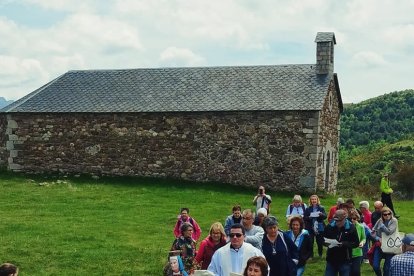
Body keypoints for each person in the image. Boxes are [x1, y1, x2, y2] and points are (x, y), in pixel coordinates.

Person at [323, 209, 359, 276]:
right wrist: (327, 243)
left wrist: (344, 244)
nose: (337, 223)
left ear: (345, 218)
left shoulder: (351, 228)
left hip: (345, 259)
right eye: (336, 220)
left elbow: (356, 243)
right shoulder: (329, 226)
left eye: (339, 221)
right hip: (331, 259)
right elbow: (323, 239)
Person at [371, 207, 398, 276]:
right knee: (375, 266)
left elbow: (389, 232)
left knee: (386, 269)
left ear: (391, 213)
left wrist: (382, 225)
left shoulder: (394, 221)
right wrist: (377, 238)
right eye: (385, 214)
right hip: (380, 245)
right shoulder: (380, 220)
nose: (387, 216)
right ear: (382, 215)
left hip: (390, 246)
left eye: (389, 214)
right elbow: (373, 232)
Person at [349, 210, 366, 276]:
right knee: (349, 272)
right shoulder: (346, 227)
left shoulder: (361, 227)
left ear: (357, 218)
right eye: (351, 219)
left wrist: (362, 242)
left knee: (356, 271)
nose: (352, 220)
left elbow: (363, 238)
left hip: (358, 252)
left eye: (354, 219)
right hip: (348, 253)